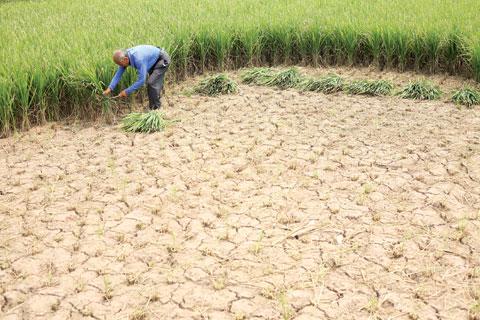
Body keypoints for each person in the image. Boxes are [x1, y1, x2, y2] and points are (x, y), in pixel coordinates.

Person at [103, 45, 170, 110]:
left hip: (162, 60)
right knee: (154, 81)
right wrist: (110, 88)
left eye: (120, 64)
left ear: (125, 59)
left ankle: (156, 109)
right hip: (153, 62)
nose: (121, 66)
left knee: (151, 82)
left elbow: (141, 81)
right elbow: (118, 74)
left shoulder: (138, 59)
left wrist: (126, 91)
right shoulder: (126, 56)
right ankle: (157, 101)